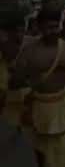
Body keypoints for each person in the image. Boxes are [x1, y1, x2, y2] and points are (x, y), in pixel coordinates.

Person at [15, 9, 65, 167]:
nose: (54, 32)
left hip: (64, 105)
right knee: (42, 151)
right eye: (49, 27)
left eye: (57, 26)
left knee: (64, 150)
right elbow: (16, 80)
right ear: (39, 27)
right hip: (39, 107)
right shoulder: (29, 51)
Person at [0, 7, 30, 135]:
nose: (20, 34)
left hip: (23, 84)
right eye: (16, 31)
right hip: (8, 84)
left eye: (22, 30)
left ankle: (21, 124)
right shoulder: (5, 44)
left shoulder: (28, 42)